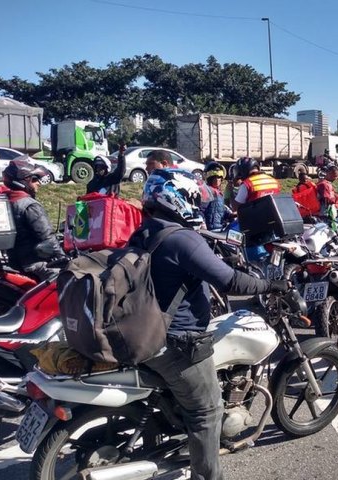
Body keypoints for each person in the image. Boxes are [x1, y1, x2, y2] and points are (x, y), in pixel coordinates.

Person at [134, 168, 288, 480]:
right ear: (176, 199)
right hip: (177, 342)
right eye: (191, 198)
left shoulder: (145, 232)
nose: (196, 204)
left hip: (143, 331)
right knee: (208, 411)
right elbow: (229, 281)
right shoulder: (182, 239)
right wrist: (270, 284)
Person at [0, 158, 64, 280]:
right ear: (22, 182)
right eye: (34, 179)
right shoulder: (30, 205)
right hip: (33, 263)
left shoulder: (4, 202)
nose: (38, 182)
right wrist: (63, 257)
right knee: (67, 276)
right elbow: (47, 238)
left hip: (14, 260)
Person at [201, 162, 232, 231]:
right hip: (211, 230)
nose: (217, 180)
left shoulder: (219, 194)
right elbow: (201, 210)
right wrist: (202, 224)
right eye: (214, 177)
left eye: (219, 177)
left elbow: (219, 210)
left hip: (221, 228)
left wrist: (231, 215)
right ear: (209, 178)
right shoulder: (207, 191)